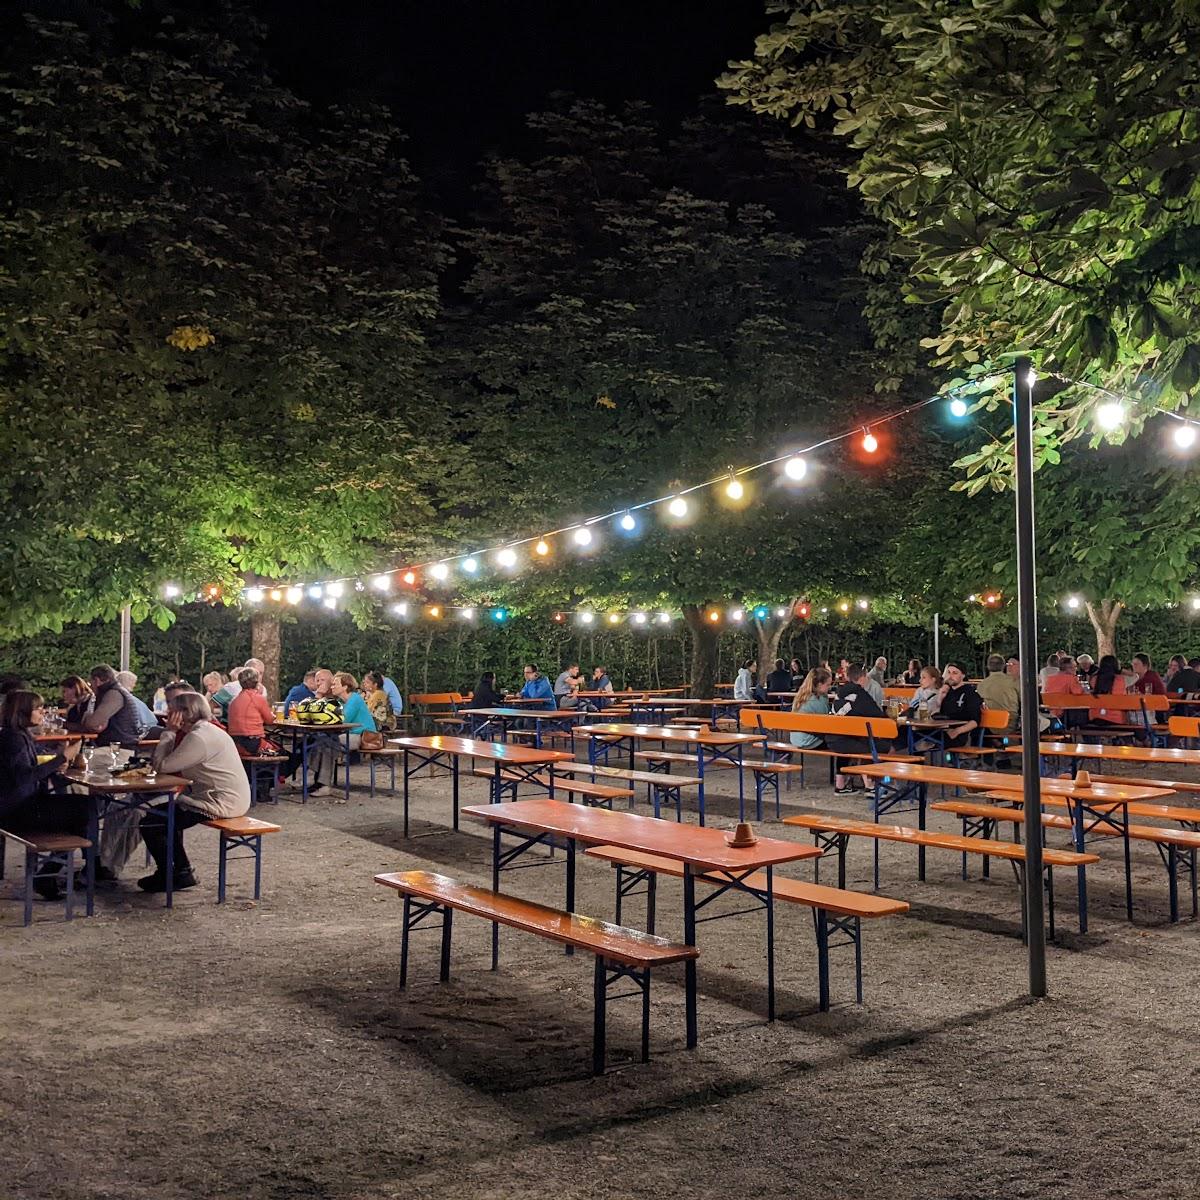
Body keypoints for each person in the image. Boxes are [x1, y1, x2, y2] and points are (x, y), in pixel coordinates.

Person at [141, 690, 251, 892]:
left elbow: (162, 766)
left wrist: (169, 732)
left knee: (153, 821)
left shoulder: (199, 737)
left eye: (171, 710)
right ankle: (178, 871)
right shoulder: (204, 731)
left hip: (220, 801)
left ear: (185, 712)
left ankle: (174, 874)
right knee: (161, 818)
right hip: (217, 796)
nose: (167, 713)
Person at [0, 691, 87, 899]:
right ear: (22, 712)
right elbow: (24, 777)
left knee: (82, 810)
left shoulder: (16, 735)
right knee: (87, 809)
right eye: (38, 709)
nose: (43, 712)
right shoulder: (14, 740)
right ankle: (62, 873)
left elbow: (24, 770)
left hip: (21, 803)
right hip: (17, 810)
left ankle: (51, 874)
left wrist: (56, 764)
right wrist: (62, 758)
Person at [308, 672, 376, 798]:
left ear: (345, 686)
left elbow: (341, 720)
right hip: (348, 734)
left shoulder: (354, 699)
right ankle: (319, 781)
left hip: (363, 736)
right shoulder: (341, 701)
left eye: (335, 684)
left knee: (328, 743)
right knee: (321, 739)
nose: (332, 686)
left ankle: (323, 784)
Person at [828, 665, 893, 794]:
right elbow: (879, 716)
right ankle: (871, 785)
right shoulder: (860, 694)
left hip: (833, 740)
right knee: (883, 746)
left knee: (860, 739)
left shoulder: (839, 693)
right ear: (862, 678)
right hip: (847, 742)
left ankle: (840, 785)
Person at [81, 664, 143, 747]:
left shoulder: (114, 694)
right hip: (114, 746)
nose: (90, 687)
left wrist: (87, 716)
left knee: (82, 756)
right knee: (79, 755)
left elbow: (93, 723)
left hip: (119, 748)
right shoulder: (115, 692)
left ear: (97, 680)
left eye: (90, 683)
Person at [931, 662, 984, 748]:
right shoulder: (947, 692)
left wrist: (957, 731)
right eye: (949, 672)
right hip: (942, 729)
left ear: (963, 675)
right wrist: (940, 696)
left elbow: (975, 721)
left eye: (955, 673)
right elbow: (937, 714)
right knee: (910, 734)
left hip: (960, 734)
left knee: (925, 741)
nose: (950, 676)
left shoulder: (970, 693)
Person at [227, 667, 277, 755]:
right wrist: (275, 715)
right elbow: (269, 720)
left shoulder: (234, 700)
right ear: (256, 682)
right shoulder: (257, 698)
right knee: (282, 753)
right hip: (252, 743)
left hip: (235, 743)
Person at [789, 668, 832, 749]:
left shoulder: (801, 696)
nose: (829, 688)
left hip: (796, 740)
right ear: (819, 685)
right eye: (828, 685)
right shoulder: (818, 700)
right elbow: (826, 723)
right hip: (810, 741)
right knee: (841, 743)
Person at [976, 653, 1019, 730]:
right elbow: (1025, 701)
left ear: (988, 666)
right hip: (1008, 723)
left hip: (987, 724)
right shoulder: (1013, 682)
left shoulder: (981, 685)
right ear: (1003, 666)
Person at [1043, 654, 1085, 725]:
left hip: (1051, 711)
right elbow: (1078, 692)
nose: (1076, 669)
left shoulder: (1050, 678)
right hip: (1064, 713)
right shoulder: (1070, 678)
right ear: (1068, 668)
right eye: (1074, 666)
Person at [1090, 654, 1128, 724]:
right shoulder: (1121, 680)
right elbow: (1136, 676)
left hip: (1096, 717)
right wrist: (1121, 670)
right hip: (1116, 719)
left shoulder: (1094, 679)